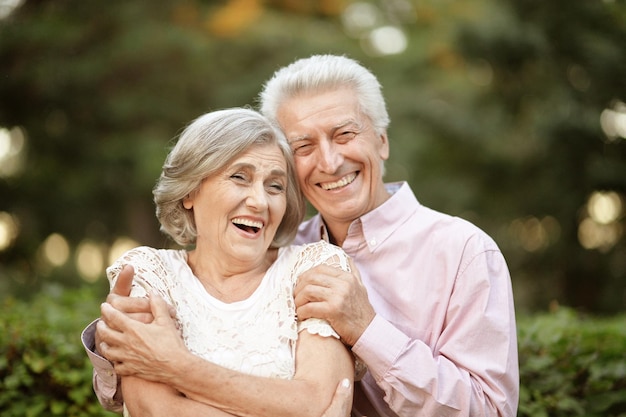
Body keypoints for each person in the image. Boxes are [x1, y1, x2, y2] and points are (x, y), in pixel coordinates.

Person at [88, 54, 519, 417]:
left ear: (382, 141)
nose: (329, 162)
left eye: (345, 134)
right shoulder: (280, 254)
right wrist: (120, 350)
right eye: (304, 147)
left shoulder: (462, 250)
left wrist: (367, 330)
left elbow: (492, 411)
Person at [92, 107, 355, 417]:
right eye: (239, 178)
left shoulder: (316, 266)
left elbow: (316, 402)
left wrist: (175, 365)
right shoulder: (148, 273)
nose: (259, 201)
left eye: (275, 186)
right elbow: (154, 409)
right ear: (190, 190)